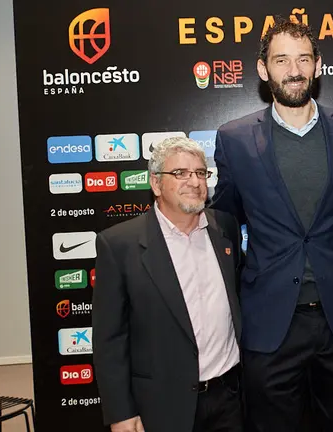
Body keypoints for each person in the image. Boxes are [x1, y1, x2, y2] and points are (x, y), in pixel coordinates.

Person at [211, 17, 333, 432]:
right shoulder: (234, 138)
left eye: (304, 59)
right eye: (282, 60)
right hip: (269, 320)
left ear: (318, 65)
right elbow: (224, 222)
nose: (294, 70)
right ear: (263, 69)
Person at [92, 137, 244, 432]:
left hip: (229, 397)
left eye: (200, 173)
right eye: (180, 173)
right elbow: (109, 339)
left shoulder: (225, 228)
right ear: (156, 184)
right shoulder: (119, 245)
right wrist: (121, 412)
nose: (194, 182)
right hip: (162, 404)